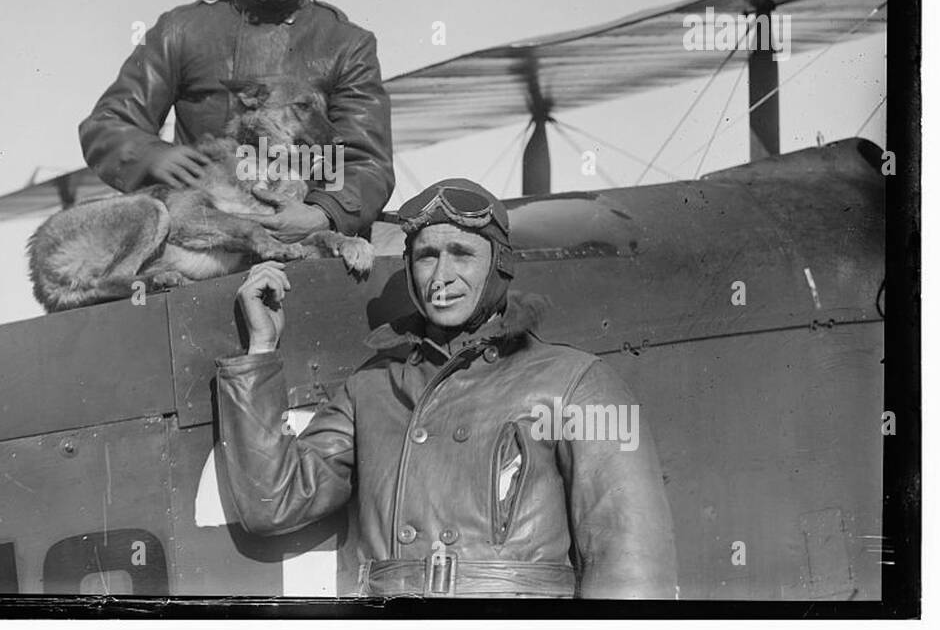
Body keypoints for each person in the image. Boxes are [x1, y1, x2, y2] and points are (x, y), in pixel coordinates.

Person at [215, 178, 678, 598]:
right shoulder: (373, 387)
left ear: (499, 265)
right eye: (426, 256)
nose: (442, 278)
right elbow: (271, 504)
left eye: (462, 253)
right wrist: (261, 348)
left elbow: (630, 564)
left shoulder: (575, 383)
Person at [78, 0, 394, 242]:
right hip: (208, 233)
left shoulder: (345, 44)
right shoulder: (183, 30)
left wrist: (322, 214)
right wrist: (150, 156)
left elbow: (366, 161)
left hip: (306, 232)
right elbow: (107, 123)